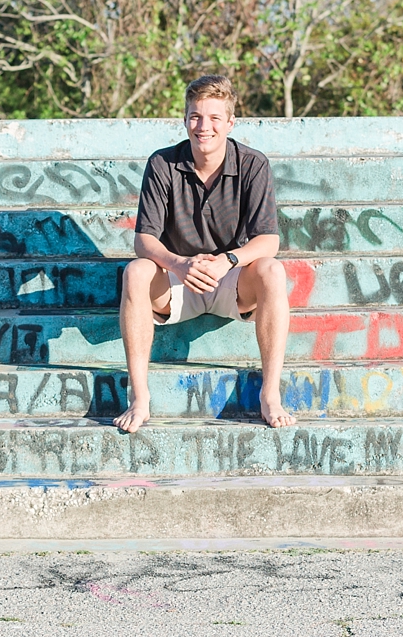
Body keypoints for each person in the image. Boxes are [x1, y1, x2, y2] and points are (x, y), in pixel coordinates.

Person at [114, 74, 293, 433]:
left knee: (272, 271)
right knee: (135, 271)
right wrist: (180, 263)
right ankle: (140, 397)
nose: (203, 126)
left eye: (214, 118)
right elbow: (144, 240)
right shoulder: (163, 164)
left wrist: (228, 260)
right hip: (179, 280)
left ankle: (270, 394)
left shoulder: (253, 164)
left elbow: (268, 241)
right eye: (195, 116)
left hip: (232, 281)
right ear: (185, 119)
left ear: (230, 122)